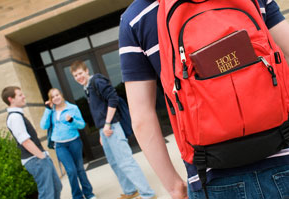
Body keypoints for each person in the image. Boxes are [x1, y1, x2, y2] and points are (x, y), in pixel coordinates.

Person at [119, 0, 289, 199]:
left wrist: (173, 185)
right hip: (282, 149)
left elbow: (141, 118)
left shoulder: (135, 18)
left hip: (209, 173)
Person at [70, 60, 156, 199]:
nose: (79, 77)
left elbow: (113, 99)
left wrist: (108, 123)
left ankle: (148, 194)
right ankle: (130, 191)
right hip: (104, 130)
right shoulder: (87, 87)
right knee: (115, 163)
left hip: (112, 126)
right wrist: (100, 132)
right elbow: (99, 110)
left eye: (80, 73)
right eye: (75, 76)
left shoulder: (97, 81)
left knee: (126, 161)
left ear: (86, 71)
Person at [1, 86, 62, 199]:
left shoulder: (18, 115)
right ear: (11, 99)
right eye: (20, 95)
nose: (23, 96)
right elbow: (25, 141)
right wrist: (42, 157)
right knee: (47, 193)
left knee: (56, 187)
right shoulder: (14, 117)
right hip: (35, 160)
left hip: (38, 158)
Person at [40, 88, 97, 199]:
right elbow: (43, 126)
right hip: (60, 145)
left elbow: (81, 125)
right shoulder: (51, 111)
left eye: (57, 95)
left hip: (74, 142)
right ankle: (77, 196)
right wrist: (47, 109)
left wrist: (72, 121)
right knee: (71, 171)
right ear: (51, 100)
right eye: (53, 96)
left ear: (61, 95)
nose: (56, 98)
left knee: (80, 169)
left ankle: (89, 194)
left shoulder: (73, 108)